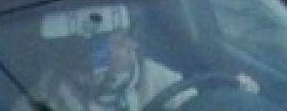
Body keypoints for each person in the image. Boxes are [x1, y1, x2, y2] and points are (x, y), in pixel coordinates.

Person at [17, 26, 186, 111]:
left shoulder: (151, 74)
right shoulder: (48, 93)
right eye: (119, 44)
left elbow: (192, 102)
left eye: (130, 39)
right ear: (92, 53)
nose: (132, 47)